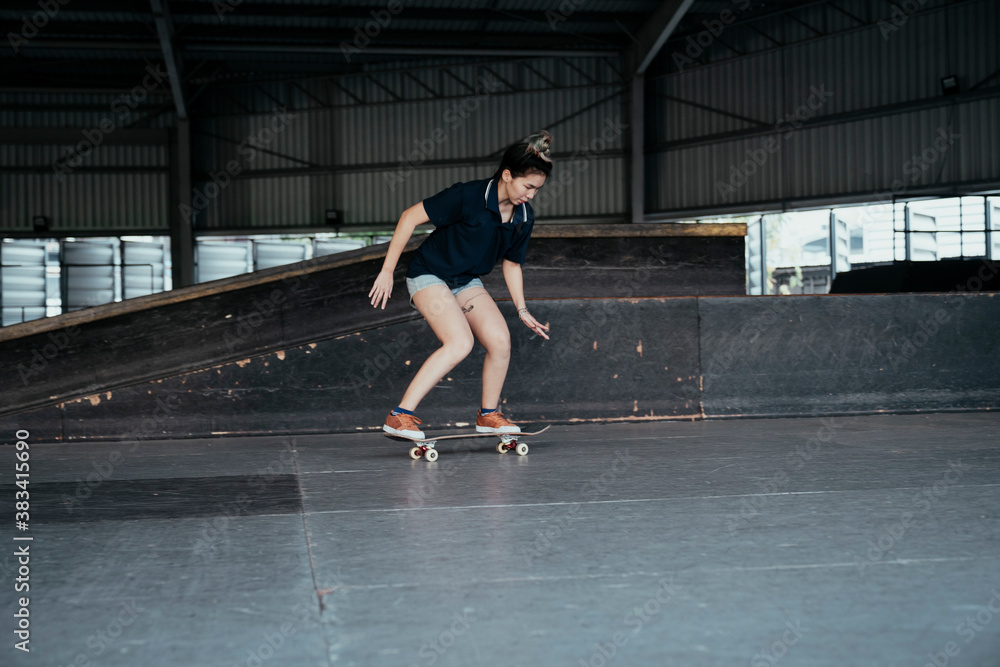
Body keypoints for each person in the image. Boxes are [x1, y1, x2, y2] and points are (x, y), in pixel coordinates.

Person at [368, 131, 553, 440]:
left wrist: (522, 308)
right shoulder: (468, 196)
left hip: (465, 280)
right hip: (429, 273)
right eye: (528, 186)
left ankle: (488, 415)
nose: (531, 195)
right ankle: (399, 416)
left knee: (500, 340)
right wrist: (387, 271)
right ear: (507, 175)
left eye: (537, 189)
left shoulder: (523, 215)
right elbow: (409, 217)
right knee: (460, 342)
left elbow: (512, 262)